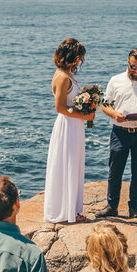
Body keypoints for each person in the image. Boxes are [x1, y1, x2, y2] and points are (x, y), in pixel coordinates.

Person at [96, 49, 137, 219]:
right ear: (128, 63)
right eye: (134, 67)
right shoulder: (115, 80)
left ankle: (134, 208)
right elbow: (105, 105)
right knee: (115, 171)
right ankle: (112, 206)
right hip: (120, 132)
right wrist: (114, 114)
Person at [45, 38, 94, 223]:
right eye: (78, 58)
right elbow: (60, 108)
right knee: (68, 164)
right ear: (71, 57)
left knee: (73, 164)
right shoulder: (63, 77)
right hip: (68, 125)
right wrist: (85, 115)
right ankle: (66, 212)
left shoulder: (65, 74)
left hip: (74, 124)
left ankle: (71, 209)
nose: (79, 62)